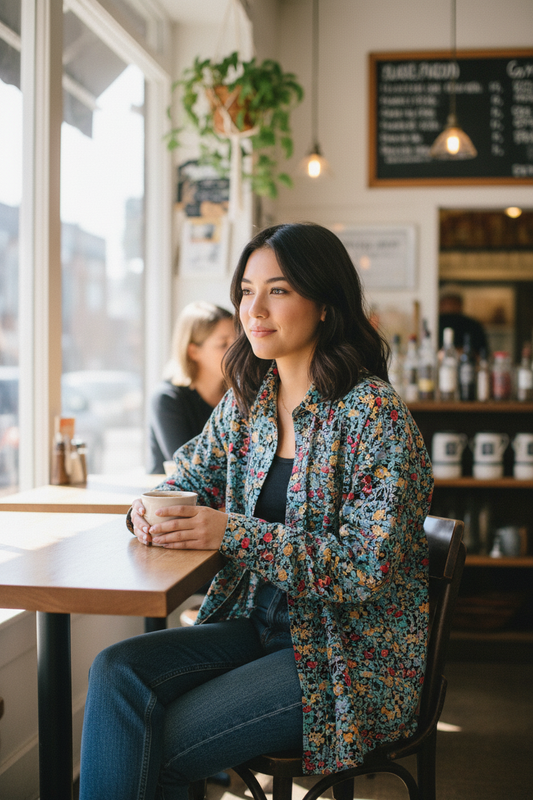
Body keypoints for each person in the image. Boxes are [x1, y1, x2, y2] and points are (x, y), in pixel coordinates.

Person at [79, 223, 434, 800]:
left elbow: (362, 568)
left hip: (345, 656)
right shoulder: (249, 401)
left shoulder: (374, 414)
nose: (254, 309)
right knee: (116, 671)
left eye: (279, 290)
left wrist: (233, 532)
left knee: (152, 743)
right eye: (246, 291)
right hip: (257, 623)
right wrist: (144, 511)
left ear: (325, 305)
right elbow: (185, 478)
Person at [148, 302, 234, 473]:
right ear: (193, 351)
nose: (235, 351)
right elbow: (189, 468)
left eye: (238, 341)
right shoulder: (167, 399)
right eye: (223, 344)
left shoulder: (237, 396)